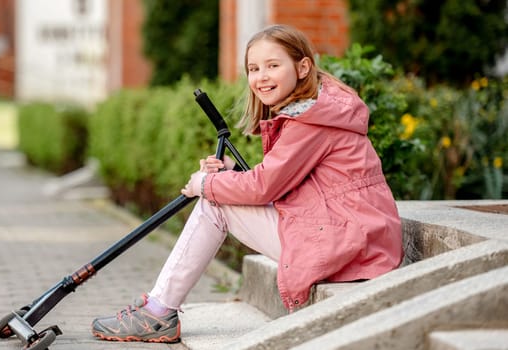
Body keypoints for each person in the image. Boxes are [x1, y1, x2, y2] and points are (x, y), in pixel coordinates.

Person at [91, 24, 403, 343]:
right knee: (218, 196)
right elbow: (283, 183)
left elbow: (263, 188)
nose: (261, 76)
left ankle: (158, 313)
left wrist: (206, 184)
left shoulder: (312, 121)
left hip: (348, 245)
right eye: (254, 69)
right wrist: (226, 173)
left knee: (215, 204)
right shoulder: (317, 110)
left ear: (303, 66)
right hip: (351, 237)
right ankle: (159, 308)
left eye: (273, 65)